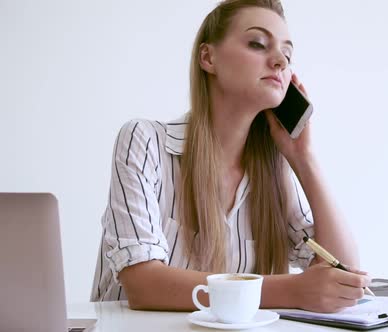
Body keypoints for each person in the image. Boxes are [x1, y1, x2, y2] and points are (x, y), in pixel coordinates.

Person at [90, 0, 370, 313]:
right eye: (258, 44)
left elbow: (343, 278)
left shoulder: (274, 171)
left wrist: (304, 159)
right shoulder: (145, 142)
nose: (279, 60)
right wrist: (290, 291)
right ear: (208, 57)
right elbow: (142, 284)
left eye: (287, 54)